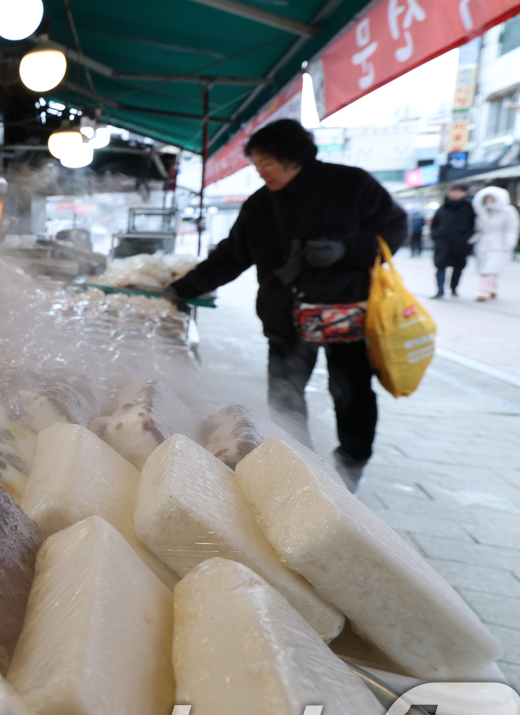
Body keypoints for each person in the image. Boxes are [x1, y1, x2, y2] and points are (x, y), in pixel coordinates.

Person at [166, 119, 407, 492]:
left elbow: (395, 228)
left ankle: (351, 464)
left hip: (346, 316)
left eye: (268, 162)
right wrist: (182, 288)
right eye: (257, 164)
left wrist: (346, 249)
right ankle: (299, 465)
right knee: (284, 398)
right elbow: (231, 256)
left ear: (294, 158)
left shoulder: (351, 184)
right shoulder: (261, 205)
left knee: (351, 394)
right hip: (285, 320)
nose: (262, 171)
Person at [471, 185, 519, 300]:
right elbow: (477, 228)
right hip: (483, 243)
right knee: (485, 267)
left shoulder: (508, 211)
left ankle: (483, 291)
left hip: (499, 243)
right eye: (487, 199)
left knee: (492, 267)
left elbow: (512, 228)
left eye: (492, 199)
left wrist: (509, 242)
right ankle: (492, 288)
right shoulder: (481, 212)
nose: (489, 201)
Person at [430, 185, 474, 298]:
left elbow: (473, 226)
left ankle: (453, 288)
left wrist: (466, 238)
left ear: (465, 193)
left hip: (460, 243)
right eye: (453, 191)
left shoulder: (469, 209)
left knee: (458, 267)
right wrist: (435, 236)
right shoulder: (442, 208)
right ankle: (440, 290)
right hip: (443, 242)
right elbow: (434, 224)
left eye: (459, 191)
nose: (455, 194)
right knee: (440, 266)